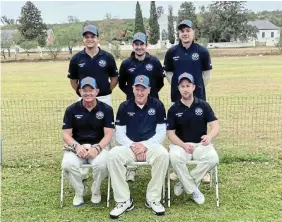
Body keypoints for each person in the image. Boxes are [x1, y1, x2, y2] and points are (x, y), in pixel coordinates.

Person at [107, 75, 169, 219]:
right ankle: (123, 201)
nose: (140, 92)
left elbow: (161, 132)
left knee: (163, 155)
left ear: (149, 90)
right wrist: (134, 146)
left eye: (143, 89)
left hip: (151, 146)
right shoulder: (124, 106)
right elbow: (120, 134)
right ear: (133, 89)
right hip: (130, 147)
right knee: (113, 155)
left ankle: (153, 198)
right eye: (137, 89)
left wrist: (145, 146)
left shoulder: (158, 105)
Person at [163, 19, 213, 182]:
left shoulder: (202, 51)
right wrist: (181, 89)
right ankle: (178, 169)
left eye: (188, 30)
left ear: (193, 33)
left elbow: (207, 75)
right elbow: (169, 73)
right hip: (177, 98)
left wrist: (194, 89)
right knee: (178, 131)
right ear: (179, 34)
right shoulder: (172, 52)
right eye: (182, 31)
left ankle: (203, 170)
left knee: (200, 131)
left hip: (198, 98)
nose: (185, 33)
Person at [166, 73, 219, 205]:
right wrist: (183, 145)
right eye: (182, 86)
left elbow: (215, 126)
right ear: (178, 88)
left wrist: (209, 136)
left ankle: (185, 184)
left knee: (213, 159)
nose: (185, 89)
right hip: (181, 145)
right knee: (173, 157)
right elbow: (171, 134)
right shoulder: (173, 109)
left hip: (200, 145)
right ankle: (193, 189)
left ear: (194, 87)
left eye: (188, 86)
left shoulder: (203, 105)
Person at [119, 32, 165, 182]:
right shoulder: (126, 64)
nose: (139, 47)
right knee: (132, 133)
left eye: (142, 44)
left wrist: (150, 96)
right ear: (133, 46)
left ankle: (155, 164)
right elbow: (122, 84)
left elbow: (160, 82)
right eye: (136, 44)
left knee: (153, 132)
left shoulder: (155, 62)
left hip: (152, 104)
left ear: (146, 45)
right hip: (131, 105)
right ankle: (130, 168)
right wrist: (133, 96)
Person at [61, 77, 114, 207]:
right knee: (67, 164)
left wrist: (97, 148)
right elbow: (66, 134)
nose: (88, 93)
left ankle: (95, 192)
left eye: (91, 90)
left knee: (102, 165)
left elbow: (108, 134)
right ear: (79, 91)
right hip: (77, 147)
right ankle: (79, 192)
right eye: (85, 90)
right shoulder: (71, 110)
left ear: (97, 91)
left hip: (98, 147)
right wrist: (76, 146)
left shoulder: (106, 109)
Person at [67, 24, 119, 107]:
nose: (89, 39)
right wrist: (83, 93)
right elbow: (73, 81)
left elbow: (114, 79)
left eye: (92, 37)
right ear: (83, 39)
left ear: (98, 39)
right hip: (84, 99)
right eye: (86, 37)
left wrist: (105, 90)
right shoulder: (76, 58)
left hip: (104, 98)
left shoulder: (108, 57)